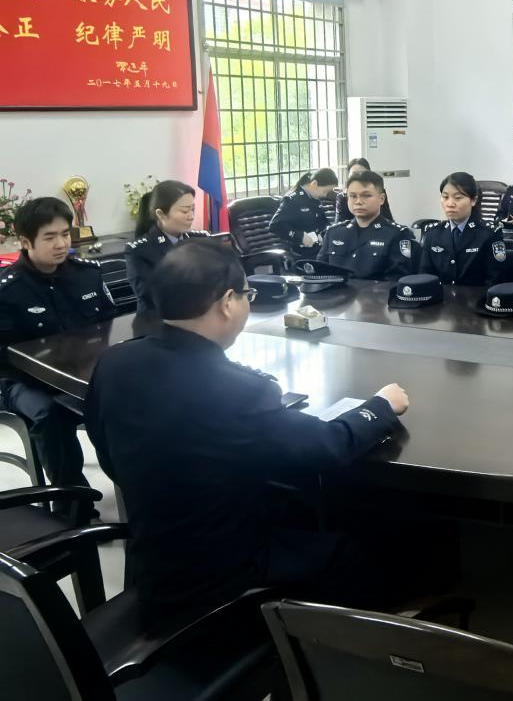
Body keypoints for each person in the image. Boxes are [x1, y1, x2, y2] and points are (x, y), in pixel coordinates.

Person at [85, 241, 415, 623]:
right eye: (247, 295)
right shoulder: (237, 390)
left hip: (155, 556)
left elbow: (108, 456)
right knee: (352, 549)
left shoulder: (115, 362)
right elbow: (326, 447)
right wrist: (380, 406)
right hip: (220, 575)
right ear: (228, 302)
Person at [0, 198, 114, 504]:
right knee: (50, 413)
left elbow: (109, 323)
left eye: (65, 234)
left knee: (122, 398)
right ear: (26, 242)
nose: (62, 244)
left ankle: (130, 479)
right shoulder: (8, 290)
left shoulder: (87, 274)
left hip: (83, 372)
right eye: (50, 237)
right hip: (22, 381)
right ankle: (72, 501)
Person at [126, 180, 212, 315]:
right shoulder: (140, 250)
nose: (191, 216)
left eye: (192, 209)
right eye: (184, 211)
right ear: (160, 214)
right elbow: (151, 295)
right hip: (159, 321)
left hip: (202, 316)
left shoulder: (202, 239)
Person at [316, 170, 414, 280]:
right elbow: (319, 272)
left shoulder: (398, 235)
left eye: (366, 196)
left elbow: (398, 279)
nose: (358, 201)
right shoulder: (334, 232)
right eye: (353, 196)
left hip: (377, 291)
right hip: (335, 291)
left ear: (381, 199)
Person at [418, 172, 508, 285]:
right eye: (445, 197)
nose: (450, 204)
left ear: (473, 200)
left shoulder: (489, 234)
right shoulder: (433, 233)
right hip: (440, 295)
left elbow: (495, 280)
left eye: (458, 198)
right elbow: (425, 276)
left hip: (477, 295)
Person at [270, 168, 337, 253]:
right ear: (314, 184)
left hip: (318, 248)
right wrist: (299, 236)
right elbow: (275, 225)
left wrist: (324, 234)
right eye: (325, 191)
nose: (325, 195)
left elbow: (322, 223)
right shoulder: (292, 200)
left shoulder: (314, 199)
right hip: (300, 252)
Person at [336, 158, 395, 224]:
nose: (359, 177)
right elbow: (339, 222)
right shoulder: (343, 196)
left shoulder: (378, 192)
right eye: (354, 174)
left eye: (367, 195)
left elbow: (388, 218)